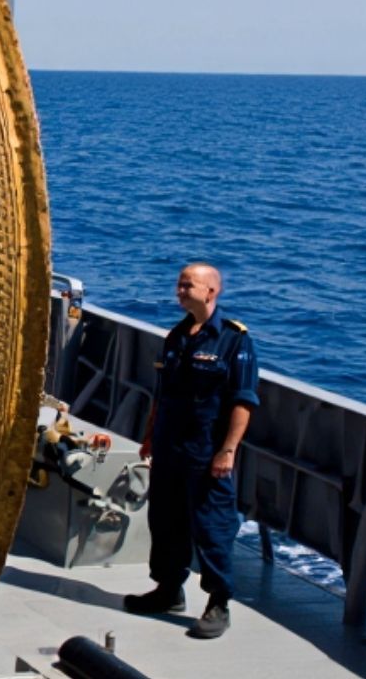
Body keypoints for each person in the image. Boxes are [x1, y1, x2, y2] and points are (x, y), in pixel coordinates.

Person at [124, 263, 260, 638]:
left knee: (211, 528)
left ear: (211, 292)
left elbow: (243, 402)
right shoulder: (177, 336)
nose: (180, 290)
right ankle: (168, 589)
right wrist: (150, 436)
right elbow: (162, 394)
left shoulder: (234, 341)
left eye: (188, 285)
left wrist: (228, 451)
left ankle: (219, 603)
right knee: (165, 522)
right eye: (179, 284)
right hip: (169, 449)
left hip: (206, 454)